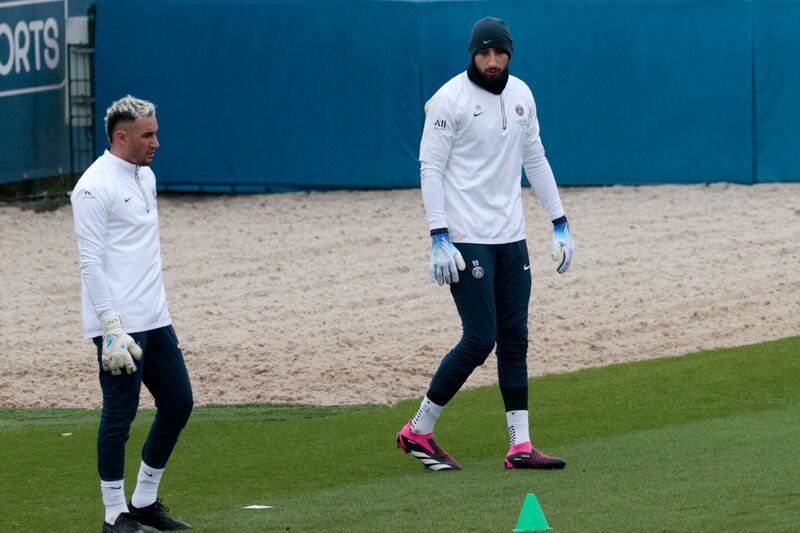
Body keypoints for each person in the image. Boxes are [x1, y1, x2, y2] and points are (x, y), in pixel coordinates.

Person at [396, 17, 575, 471]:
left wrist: (559, 220)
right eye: (484, 53)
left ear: (510, 54)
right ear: (472, 54)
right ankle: (418, 430)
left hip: (511, 238)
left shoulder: (522, 96)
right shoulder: (448, 100)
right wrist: (438, 235)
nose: (492, 61)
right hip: (466, 239)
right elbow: (429, 168)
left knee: (515, 339)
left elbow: (535, 157)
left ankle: (520, 446)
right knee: (480, 338)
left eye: (499, 53)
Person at [71, 95, 194, 532]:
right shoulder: (92, 186)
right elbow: (90, 261)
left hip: (155, 318)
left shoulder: (147, 177)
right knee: (119, 416)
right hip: (118, 326)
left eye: (156, 132)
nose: (156, 142)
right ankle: (113, 517)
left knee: (179, 403)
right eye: (148, 134)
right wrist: (109, 326)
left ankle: (142, 502)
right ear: (121, 137)